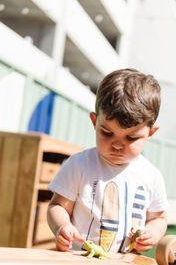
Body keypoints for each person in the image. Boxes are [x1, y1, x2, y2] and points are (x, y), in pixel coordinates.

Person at [47, 68, 168, 253]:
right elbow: (58, 206)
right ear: (94, 122)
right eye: (107, 133)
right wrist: (62, 226)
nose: (117, 145)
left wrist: (151, 233)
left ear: (150, 133)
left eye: (131, 138)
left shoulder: (151, 175)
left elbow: (158, 219)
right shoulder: (79, 165)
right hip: (80, 261)